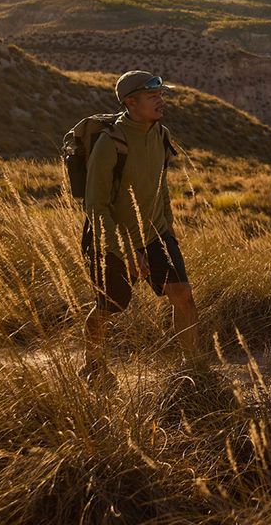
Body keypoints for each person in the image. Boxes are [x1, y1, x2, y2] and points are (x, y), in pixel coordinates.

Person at [80, 70, 199, 385]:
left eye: (161, 95)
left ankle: (192, 370)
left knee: (183, 295)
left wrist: (168, 227)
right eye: (152, 96)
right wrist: (125, 252)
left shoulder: (161, 134)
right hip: (112, 239)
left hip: (156, 233)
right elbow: (95, 206)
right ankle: (93, 365)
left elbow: (161, 186)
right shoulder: (110, 144)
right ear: (130, 102)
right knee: (109, 306)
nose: (161, 101)